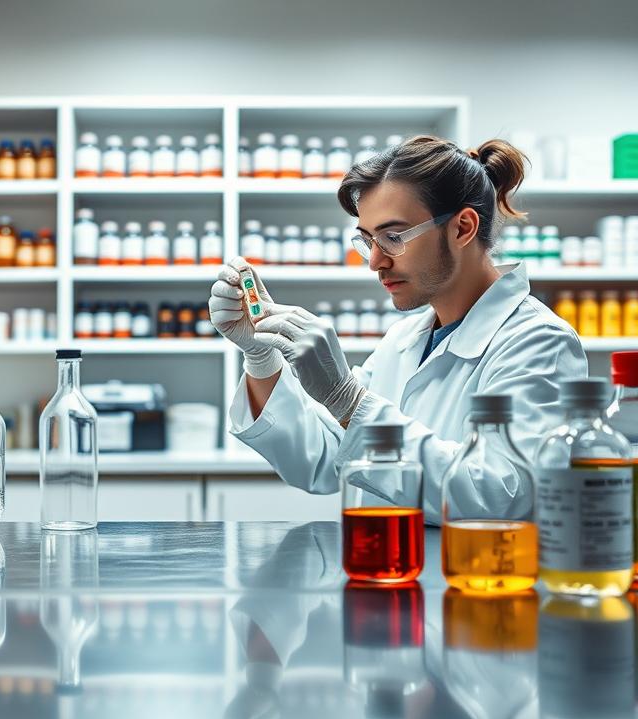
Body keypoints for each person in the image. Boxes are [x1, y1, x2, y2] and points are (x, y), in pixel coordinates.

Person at [210, 136, 586, 523]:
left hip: (466, 563)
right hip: (382, 557)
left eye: (392, 238)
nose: (375, 261)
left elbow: (500, 496)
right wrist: (261, 356)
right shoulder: (404, 339)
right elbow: (322, 460)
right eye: (368, 240)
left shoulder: (539, 342)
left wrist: (350, 402)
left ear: (462, 228)